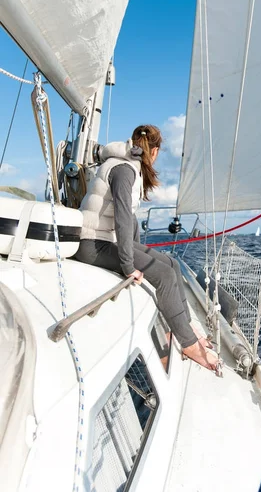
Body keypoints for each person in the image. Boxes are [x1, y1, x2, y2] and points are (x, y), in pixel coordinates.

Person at [74, 124, 217, 371]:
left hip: (105, 241)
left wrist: (138, 252)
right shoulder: (124, 170)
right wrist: (130, 264)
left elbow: (130, 219)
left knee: (172, 264)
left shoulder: (127, 165)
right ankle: (189, 343)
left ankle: (183, 325)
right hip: (91, 245)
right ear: (155, 151)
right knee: (163, 274)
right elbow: (121, 217)